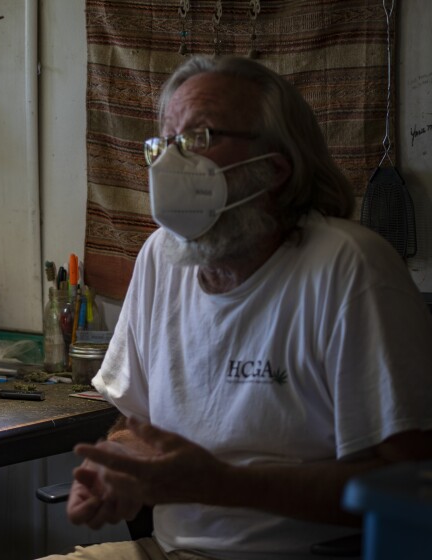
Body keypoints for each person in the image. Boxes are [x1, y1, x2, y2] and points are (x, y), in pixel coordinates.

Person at [43, 55, 432, 560]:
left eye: (199, 139)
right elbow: (137, 424)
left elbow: (413, 483)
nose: (168, 163)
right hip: (169, 550)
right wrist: (120, 461)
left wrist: (223, 484)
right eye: (163, 142)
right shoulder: (161, 256)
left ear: (273, 168)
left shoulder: (350, 266)